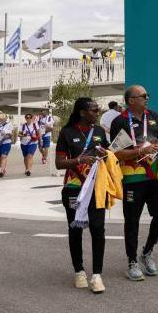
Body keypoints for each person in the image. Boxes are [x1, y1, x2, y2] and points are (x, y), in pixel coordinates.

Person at [110, 85, 158, 279]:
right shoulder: (121, 121)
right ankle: (132, 261)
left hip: (155, 177)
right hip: (132, 179)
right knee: (132, 221)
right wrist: (139, 151)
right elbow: (116, 153)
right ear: (131, 100)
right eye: (143, 96)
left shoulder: (154, 117)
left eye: (147, 95)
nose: (147, 98)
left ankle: (147, 252)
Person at [55, 97, 113, 294]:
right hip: (74, 187)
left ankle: (97, 275)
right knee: (76, 229)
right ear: (82, 112)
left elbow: (107, 153)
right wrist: (79, 160)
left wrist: (107, 154)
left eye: (98, 110)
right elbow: (59, 163)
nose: (97, 113)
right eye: (94, 110)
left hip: (97, 187)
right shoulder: (67, 132)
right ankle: (79, 271)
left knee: (98, 229)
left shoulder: (99, 132)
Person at [0, 112, 13, 178]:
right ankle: (3, 169)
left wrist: (2, 140)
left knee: (3, 156)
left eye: (3, 117)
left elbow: (10, 135)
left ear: (5, 118)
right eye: (0, 117)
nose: (1, 119)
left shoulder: (9, 124)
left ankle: (1, 171)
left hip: (6, 143)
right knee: (0, 157)